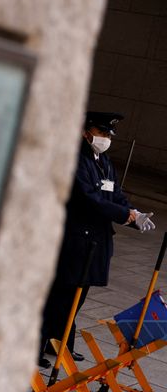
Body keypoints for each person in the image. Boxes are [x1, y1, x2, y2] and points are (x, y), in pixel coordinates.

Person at [38, 111, 156, 368]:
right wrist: (124, 214)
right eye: (102, 133)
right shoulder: (74, 159)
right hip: (74, 238)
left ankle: (60, 342)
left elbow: (115, 192)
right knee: (60, 294)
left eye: (108, 134)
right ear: (85, 131)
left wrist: (133, 214)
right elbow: (88, 197)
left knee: (77, 295)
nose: (105, 138)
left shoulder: (102, 160)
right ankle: (38, 343)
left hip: (94, 241)